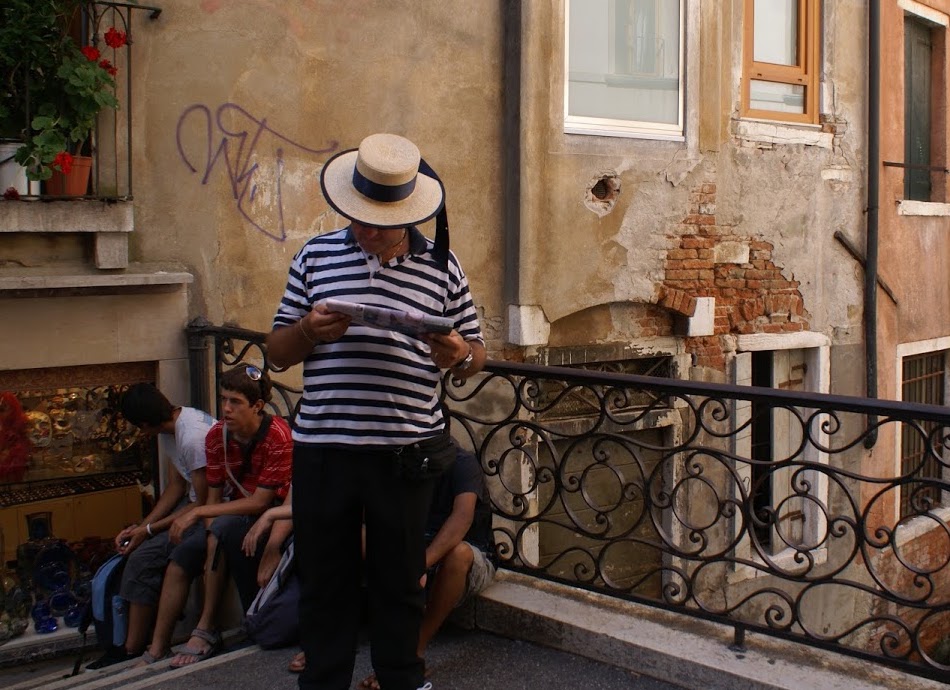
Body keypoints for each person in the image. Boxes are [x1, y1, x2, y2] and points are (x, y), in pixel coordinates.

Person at [267, 132, 486, 690]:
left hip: (404, 453)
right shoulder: (315, 255)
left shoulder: (443, 266)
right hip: (324, 447)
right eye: (355, 217)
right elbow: (276, 352)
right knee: (325, 579)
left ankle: (401, 679)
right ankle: (324, 680)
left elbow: (476, 354)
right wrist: (307, 332)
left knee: (398, 580)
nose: (362, 230)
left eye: (376, 222)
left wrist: (458, 353)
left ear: (408, 215)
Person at [281, 446, 497, 687]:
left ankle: (414, 652)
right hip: (413, 547)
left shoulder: (462, 462)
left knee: (459, 555)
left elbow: (462, 518)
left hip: (463, 551)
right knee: (349, 536)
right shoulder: (399, 458)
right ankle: (330, 646)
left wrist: (418, 565)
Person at [135, 365, 292, 668]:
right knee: (184, 554)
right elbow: (214, 494)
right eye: (223, 400)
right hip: (232, 512)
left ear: (257, 406)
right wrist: (209, 532)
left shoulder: (277, 436)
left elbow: (260, 501)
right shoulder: (216, 437)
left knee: (223, 533)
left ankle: (207, 626)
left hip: (273, 514)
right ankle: (156, 647)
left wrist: (203, 515)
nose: (226, 409)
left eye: (235, 402)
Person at [88, 384, 215, 668]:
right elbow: (175, 487)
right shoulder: (170, 432)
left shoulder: (192, 437)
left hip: (209, 510)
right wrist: (141, 528)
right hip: (191, 506)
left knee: (157, 558)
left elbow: (203, 502)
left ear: (144, 424)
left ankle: (148, 648)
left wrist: (149, 531)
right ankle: (128, 647)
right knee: (140, 554)